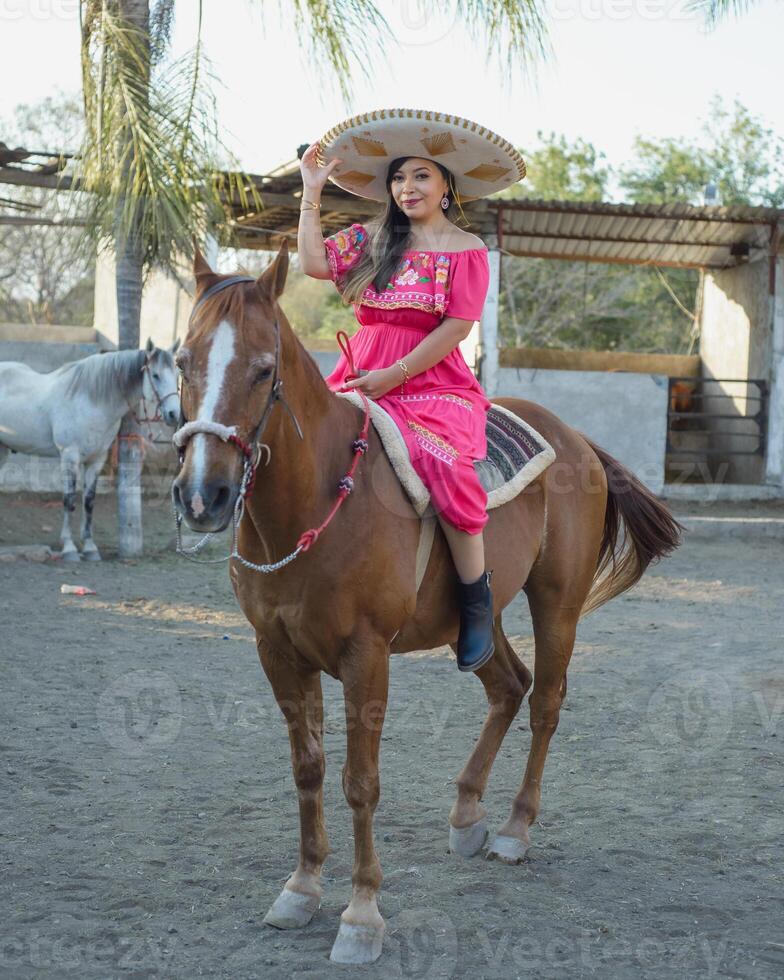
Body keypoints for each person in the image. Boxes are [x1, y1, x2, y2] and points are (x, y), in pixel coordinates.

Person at [297, 109, 526, 672]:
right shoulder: (373, 239)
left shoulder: (466, 248)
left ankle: (476, 602)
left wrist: (393, 378)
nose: (407, 188)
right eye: (399, 178)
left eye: (421, 176)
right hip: (361, 369)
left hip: (433, 383)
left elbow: (457, 328)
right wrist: (310, 193)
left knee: (446, 466)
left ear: (448, 185)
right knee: (306, 444)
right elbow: (311, 263)